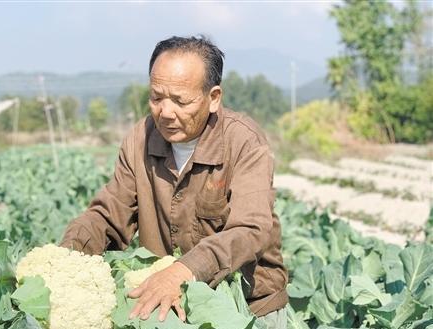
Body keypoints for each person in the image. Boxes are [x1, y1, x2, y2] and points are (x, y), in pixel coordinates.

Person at [60, 35, 288, 328]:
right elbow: (108, 215)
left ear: (214, 97)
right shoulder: (140, 139)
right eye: (156, 97)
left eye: (180, 101)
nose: (165, 113)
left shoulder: (244, 142)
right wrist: (68, 255)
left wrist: (183, 270)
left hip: (247, 308)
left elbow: (250, 230)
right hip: (169, 308)